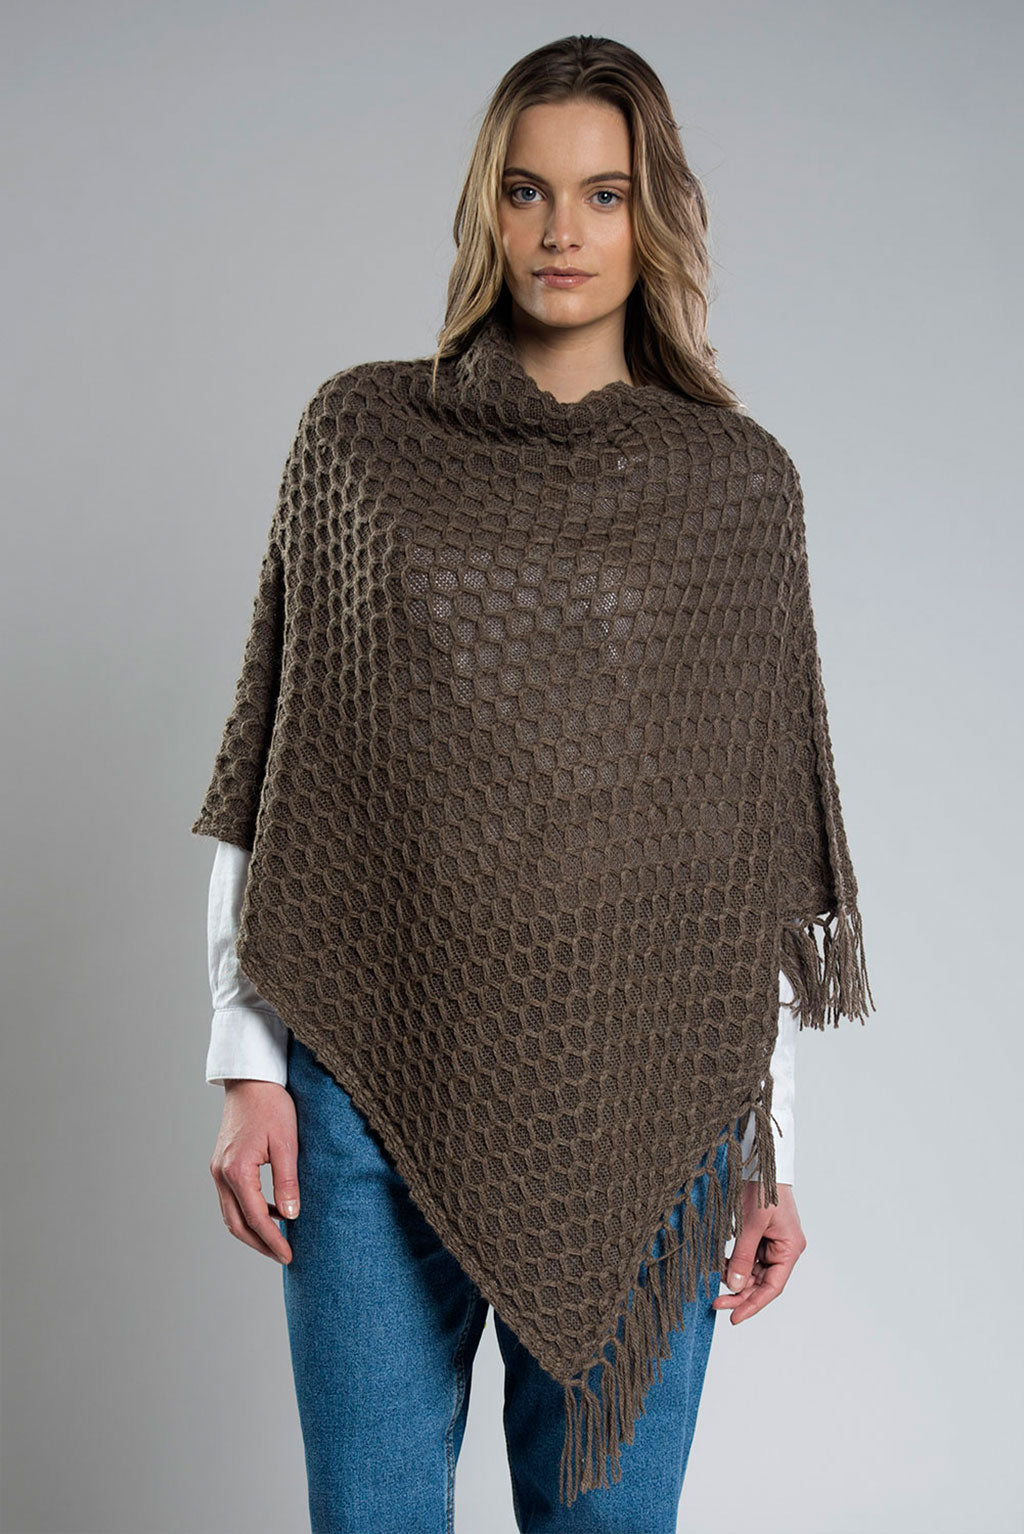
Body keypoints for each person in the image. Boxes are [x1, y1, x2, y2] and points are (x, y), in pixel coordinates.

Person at [194, 34, 872, 1534]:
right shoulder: (359, 441)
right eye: (527, 190)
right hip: (373, 1076)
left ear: (653, 215)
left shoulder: (735, 488)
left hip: (648, 1097)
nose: (563, 230)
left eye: (603, 193)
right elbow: (278, 772)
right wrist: (246, 1066)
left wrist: (772, 1153)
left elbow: (748, 858)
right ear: (485, 209)